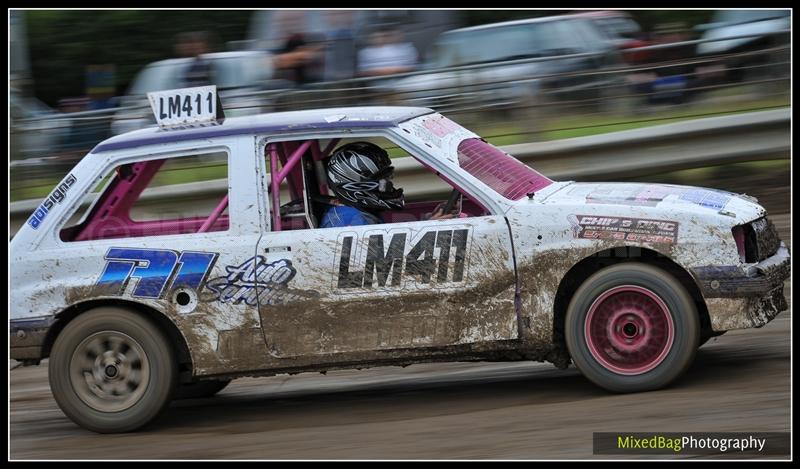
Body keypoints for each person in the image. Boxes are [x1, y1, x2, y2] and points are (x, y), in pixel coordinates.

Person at [321, 142, 455, 228]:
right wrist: (428, 228)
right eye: (382, 180)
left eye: (388, 178)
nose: (389, 185)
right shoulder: (354, 221)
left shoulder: (352, 212)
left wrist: (427, 222)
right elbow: (383, 265)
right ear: (358, 186)